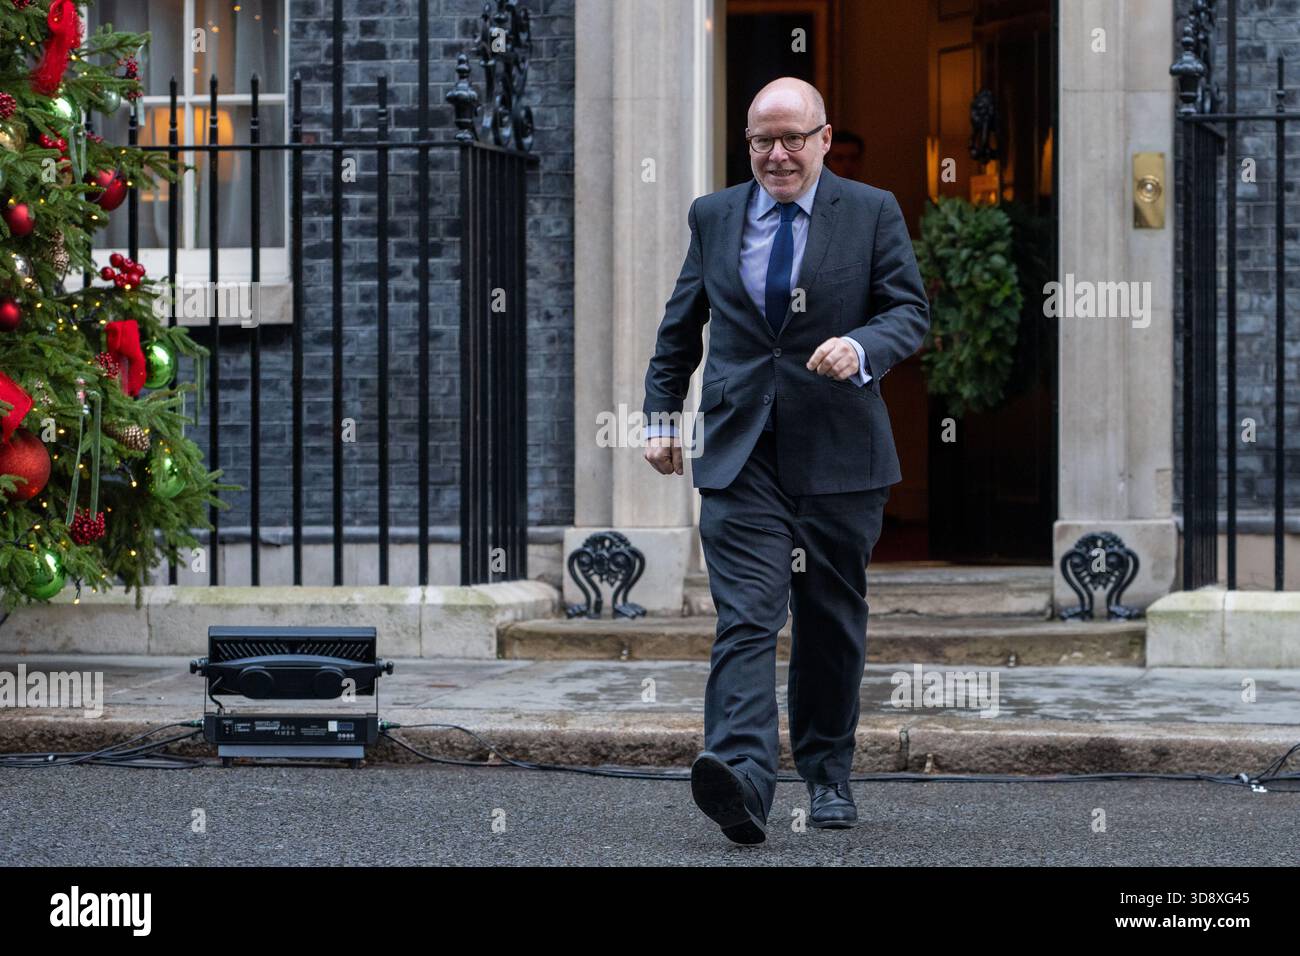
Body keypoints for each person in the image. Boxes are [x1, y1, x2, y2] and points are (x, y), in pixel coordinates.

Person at [641, 77, 929, 845]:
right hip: (740, 453)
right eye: (763, 141)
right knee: (746, 616)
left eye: (793, 138)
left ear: (824, 139)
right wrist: (660, 417)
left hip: (840, 454)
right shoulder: (714, 215)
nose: (777, 154)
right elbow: (680, 328)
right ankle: (740, 778)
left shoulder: (871, 211)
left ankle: (829, 772)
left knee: (829, 620)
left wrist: (864, 345)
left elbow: (910, 312)